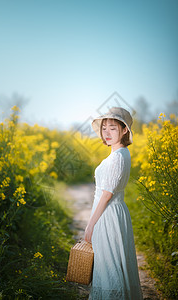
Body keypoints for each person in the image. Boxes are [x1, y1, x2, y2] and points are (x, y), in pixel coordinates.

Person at [84, 107, 143, 300]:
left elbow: (107, 194)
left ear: (124, 130)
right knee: (113, 263)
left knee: (109, 264)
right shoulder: (121, 153)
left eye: (112, 128)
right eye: (104, 128)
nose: (106, 133)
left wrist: (90, 224)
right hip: (113, 213)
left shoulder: (118, 156)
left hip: (108, 215)